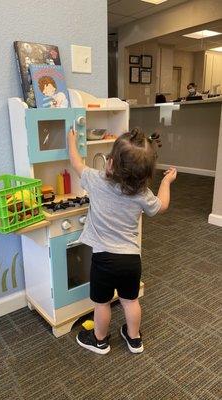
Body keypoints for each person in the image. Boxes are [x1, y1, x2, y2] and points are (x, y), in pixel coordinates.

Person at [68, 127, 177, 355]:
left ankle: (99, 340)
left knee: (102, 303)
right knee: (130, 301)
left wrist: (71, 140)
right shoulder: (142, 193)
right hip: (130, 260)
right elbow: (162, 206)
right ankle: (134, 339)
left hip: (103, 259)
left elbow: (76, 163)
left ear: (110, 164)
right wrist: (167, 182)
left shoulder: (95, 180)